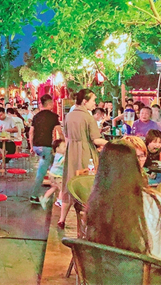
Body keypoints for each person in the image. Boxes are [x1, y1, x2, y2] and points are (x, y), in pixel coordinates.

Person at [86, 142, 161, 263]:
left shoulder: (96, 202)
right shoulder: (155, 200)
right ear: (135, 166)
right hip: (152, 269)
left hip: (107, 270)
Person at [58, 89, 108, 229]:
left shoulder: (69, 116)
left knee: (68, 184)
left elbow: (66, 135)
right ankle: (86, 222)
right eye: (93, 100)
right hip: (86, 154)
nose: (95, 104)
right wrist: (112, 144)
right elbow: (96, 140)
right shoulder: (88, 117)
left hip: (71, 153)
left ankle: (62, 219)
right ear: (85, 101)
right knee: (87, 185)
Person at [29, 94, 63, 204]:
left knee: (54, 166)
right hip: (46, 147)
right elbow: (59, 131)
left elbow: (31, 132)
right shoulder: (53, 116)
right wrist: (64, 142)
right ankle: (34, 196)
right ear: (49, 103)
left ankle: (56, 190)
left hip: (37, 146)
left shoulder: (36, 116)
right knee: (42, 172)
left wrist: (31, 146)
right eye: (52, 102)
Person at [39, 139, 66, 210]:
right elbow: (63, 161)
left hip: (52, 174)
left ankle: (44, 198)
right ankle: (59, 201)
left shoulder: (57, 155)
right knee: (63, 188)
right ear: (57, 149)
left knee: (54, 187)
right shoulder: (59, 156)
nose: (65, 148)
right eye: (64, 147)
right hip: (57, 176)